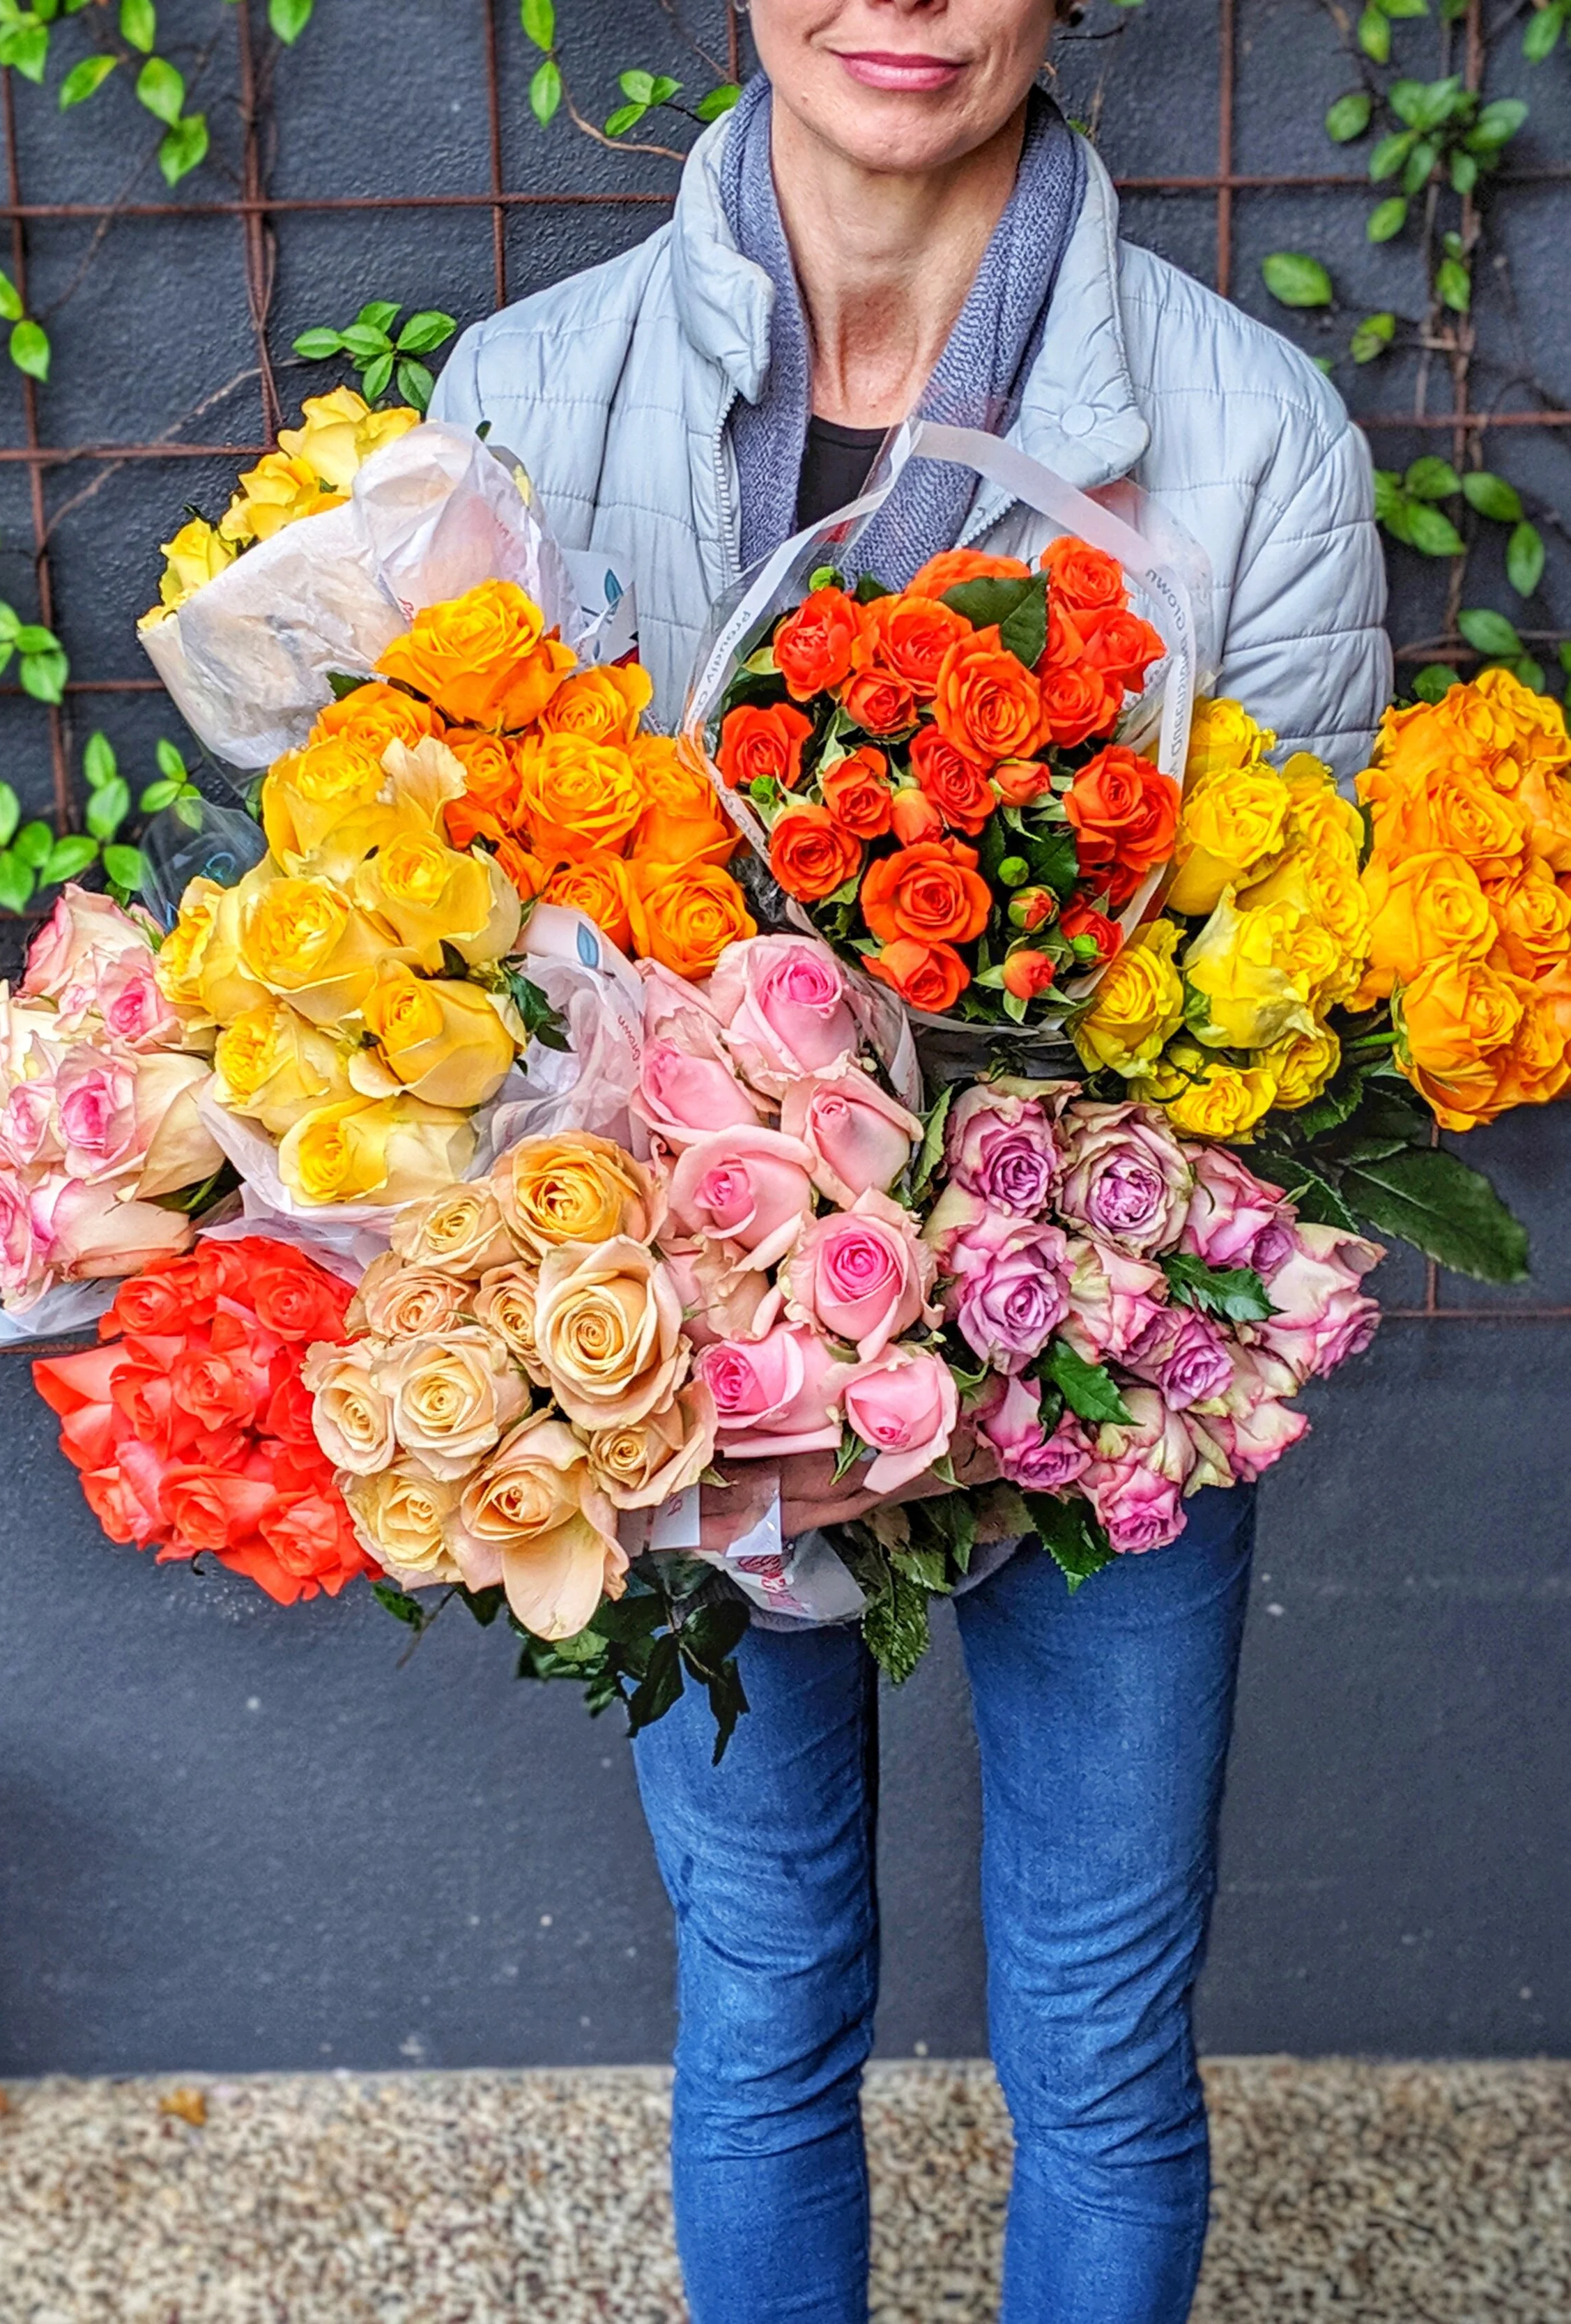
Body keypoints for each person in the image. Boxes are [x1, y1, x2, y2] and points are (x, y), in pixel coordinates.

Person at [433, 3, 1390, 2317]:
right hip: (684, 1384)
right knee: (760, 2001)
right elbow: (461, 952)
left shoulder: (1248, 432)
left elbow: (1300, 1026)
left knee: (1094, 2032)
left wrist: (953, 1312)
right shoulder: (524, 400)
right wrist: (724, 1321)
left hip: (1104, 1361)